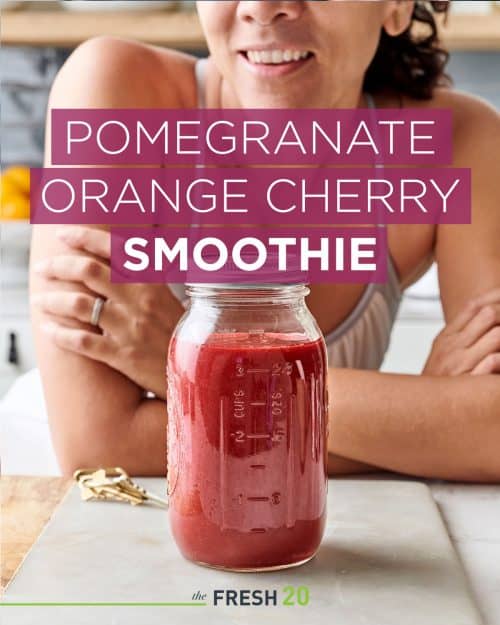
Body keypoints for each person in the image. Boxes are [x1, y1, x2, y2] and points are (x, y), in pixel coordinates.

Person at [30, 1, 500, 480]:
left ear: (396, 7)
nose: (261, 8)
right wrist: (420, 429)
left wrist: (203, 369)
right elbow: (101, 446)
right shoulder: (114, 87)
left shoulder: (459, 141)